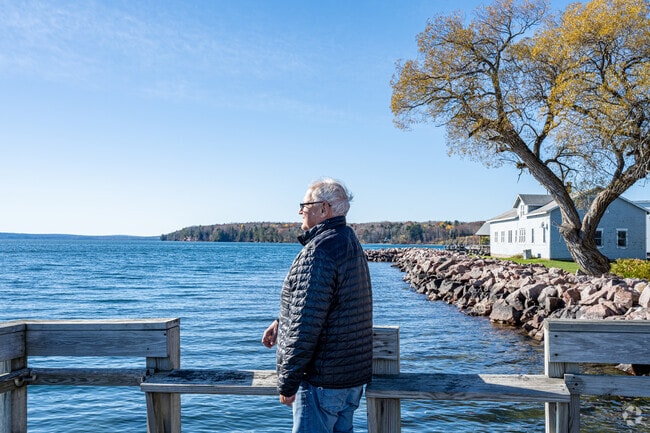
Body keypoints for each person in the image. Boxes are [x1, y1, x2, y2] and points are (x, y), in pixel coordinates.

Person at [262, 177, 373, 433]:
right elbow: (332, 303)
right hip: (350, 380)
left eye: (305, 204)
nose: (300, 210)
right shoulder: (347, 240)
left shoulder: (319, 250)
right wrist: (281, 321)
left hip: (321, 382)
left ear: (324, 209)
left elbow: (305, 325)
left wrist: (288, 384)